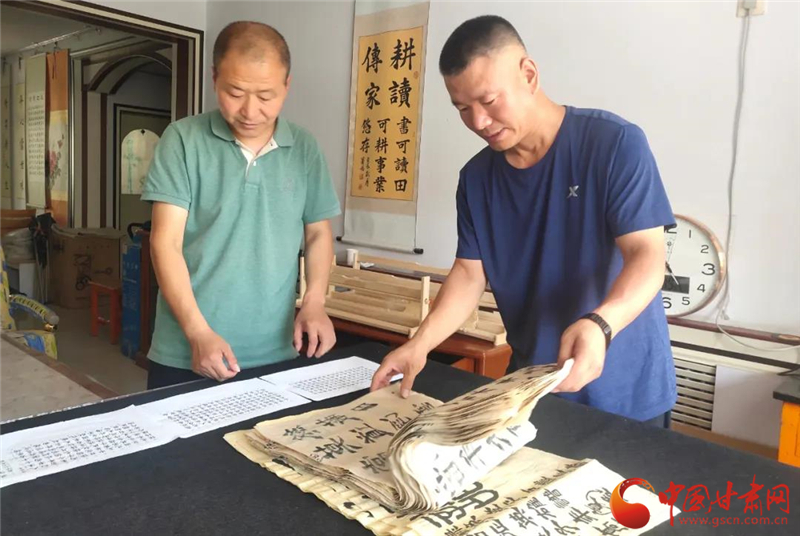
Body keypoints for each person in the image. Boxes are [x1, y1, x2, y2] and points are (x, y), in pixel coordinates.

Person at [371, 15, 676, 426]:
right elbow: (469, 274)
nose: (478, 122)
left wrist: (601, 324)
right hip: (532, 386)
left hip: (626, 389)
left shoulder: (613, 144)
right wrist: (420, 344)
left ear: (528, 75)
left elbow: (647, 256)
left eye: (489, 101)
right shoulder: (476, 179)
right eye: (463, 108)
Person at [141, 22, 341, 389]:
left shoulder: (305, 148)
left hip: (276, 351)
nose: (250, 111)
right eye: (234, 93)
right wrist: (197, 332)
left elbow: (317, 233)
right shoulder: (182, 140)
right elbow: (165, 243)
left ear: (287, 86)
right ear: (214, 78)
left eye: (266, 96)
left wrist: (314, 301)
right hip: (187, 350)